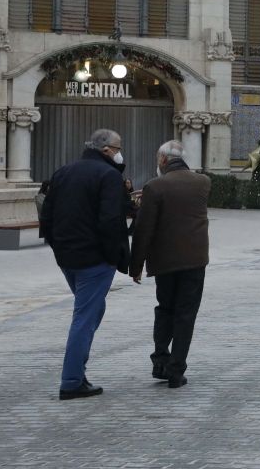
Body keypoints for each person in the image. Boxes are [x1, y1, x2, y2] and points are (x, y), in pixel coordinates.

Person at [39, 128, 130, 400]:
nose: (119, 153)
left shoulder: (64, 171)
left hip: (68, 257)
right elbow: (111, 221)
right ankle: (71, 381)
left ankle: (77, 370)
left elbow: (48, 214)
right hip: (95, 259)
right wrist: (116, 257)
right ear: (106, 150)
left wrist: (58, 247)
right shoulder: (108, 176)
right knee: (84, 317)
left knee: (93, 310)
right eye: (117, 148)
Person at [130, 140, 211, 389]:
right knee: (186, 314)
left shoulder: (155, 186)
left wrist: (136, 266)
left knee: (165, 309)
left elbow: (144, 229)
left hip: (165, 262)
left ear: (163, 160)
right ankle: (177, 371)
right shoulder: (203, 182)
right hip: (195, 261)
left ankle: (160, 361)